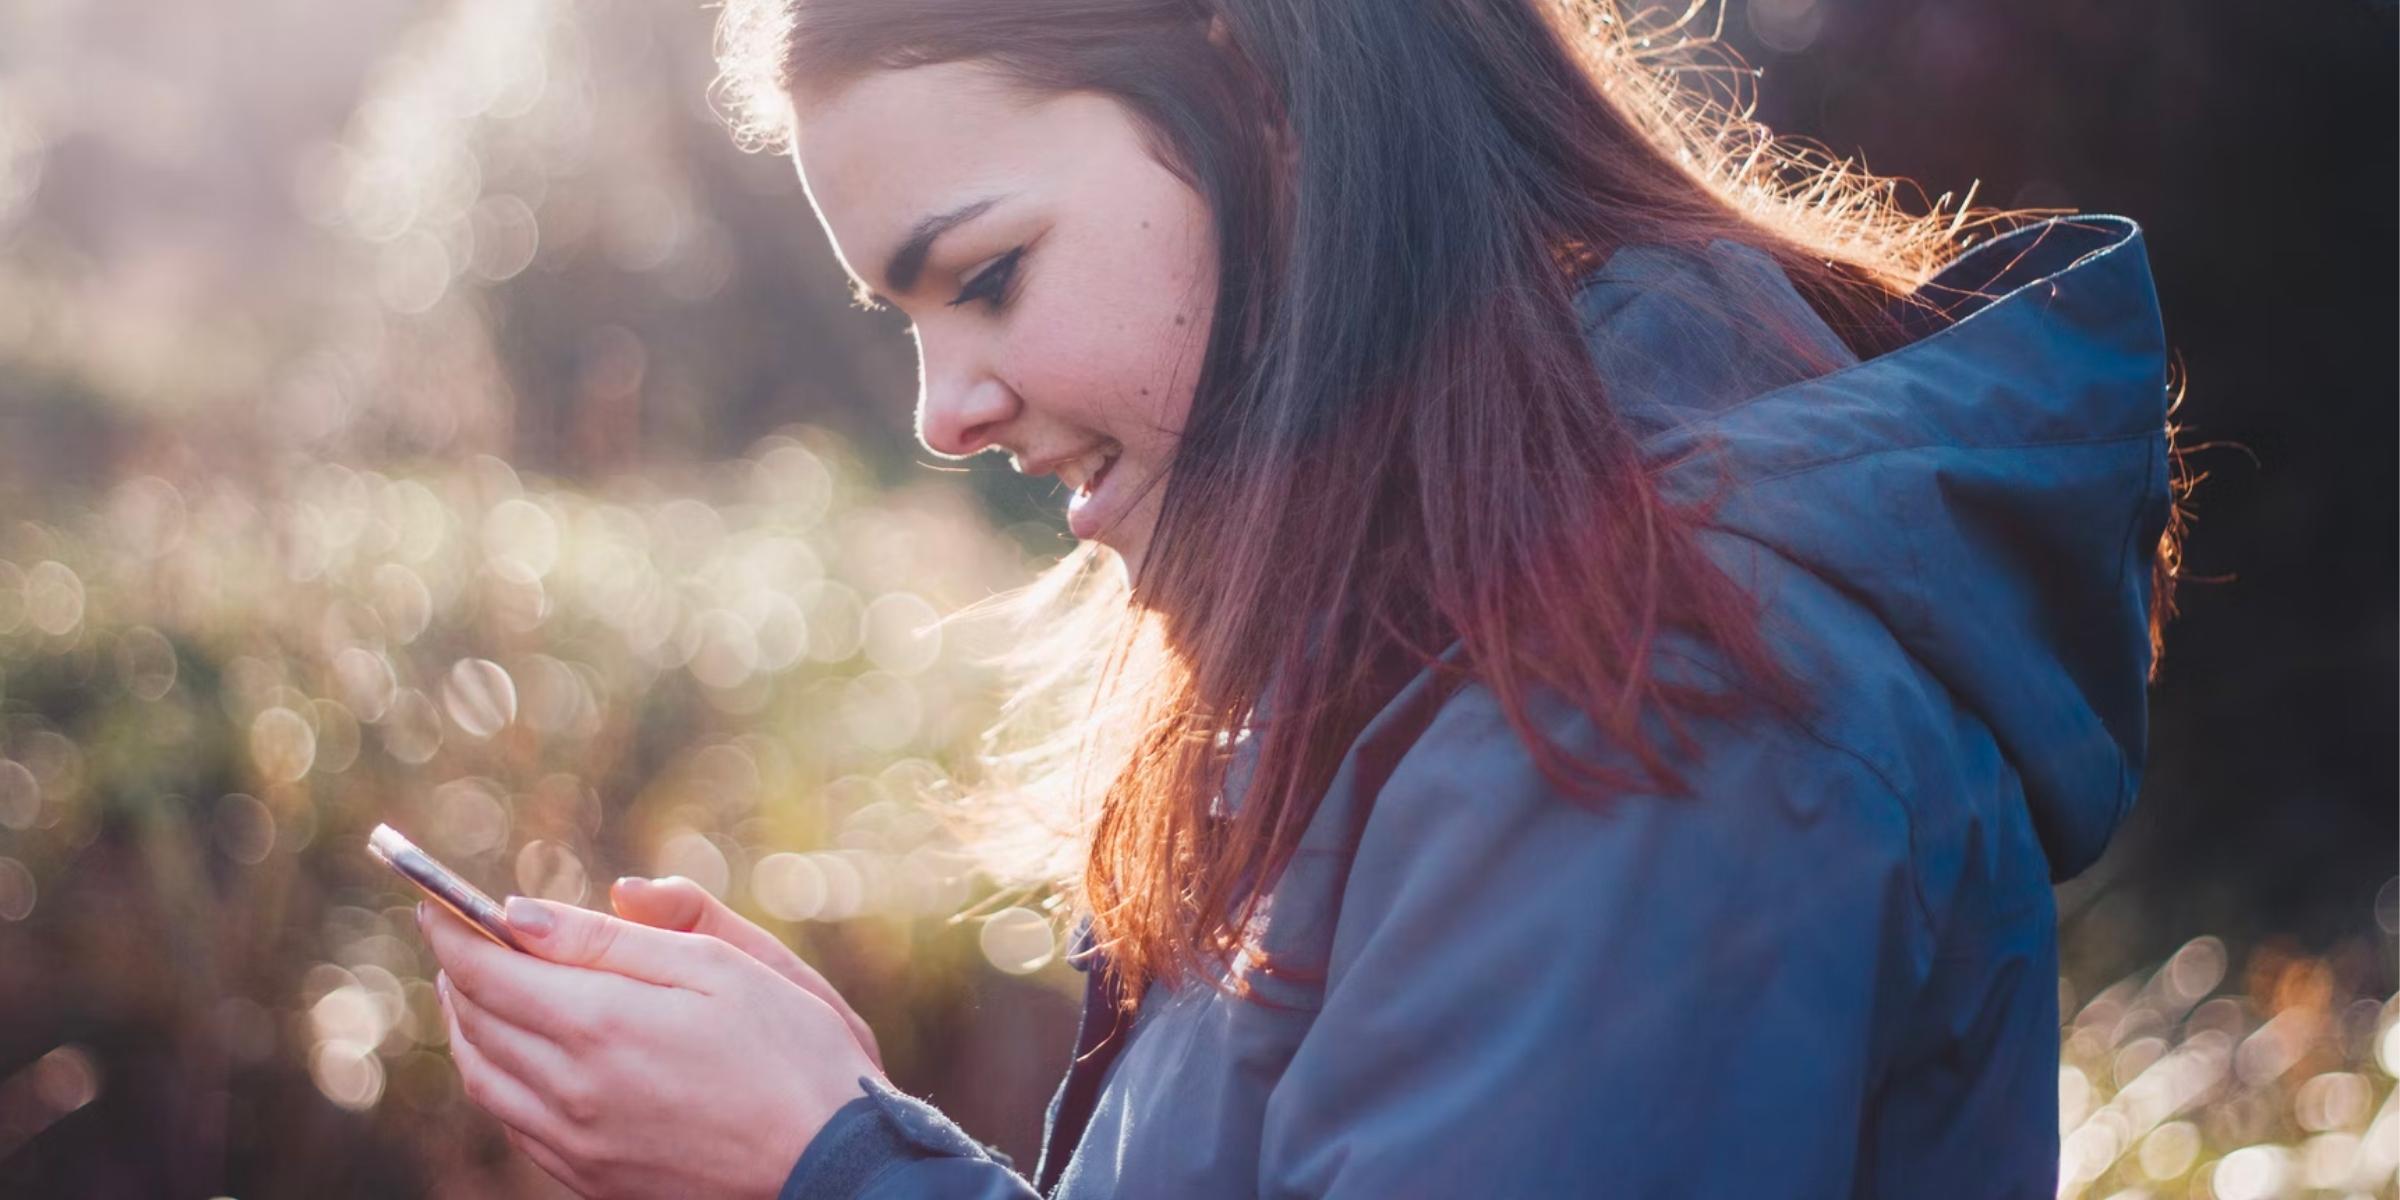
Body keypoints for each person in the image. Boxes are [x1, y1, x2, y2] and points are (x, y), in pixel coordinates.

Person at [414, 1, 2186, 1196]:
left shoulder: (1656, 699)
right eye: (913, 325)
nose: (942, 412)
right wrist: (836, 1128)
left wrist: (823, 1162)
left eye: (987, 277)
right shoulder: (1448, 640)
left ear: (1262, 102)